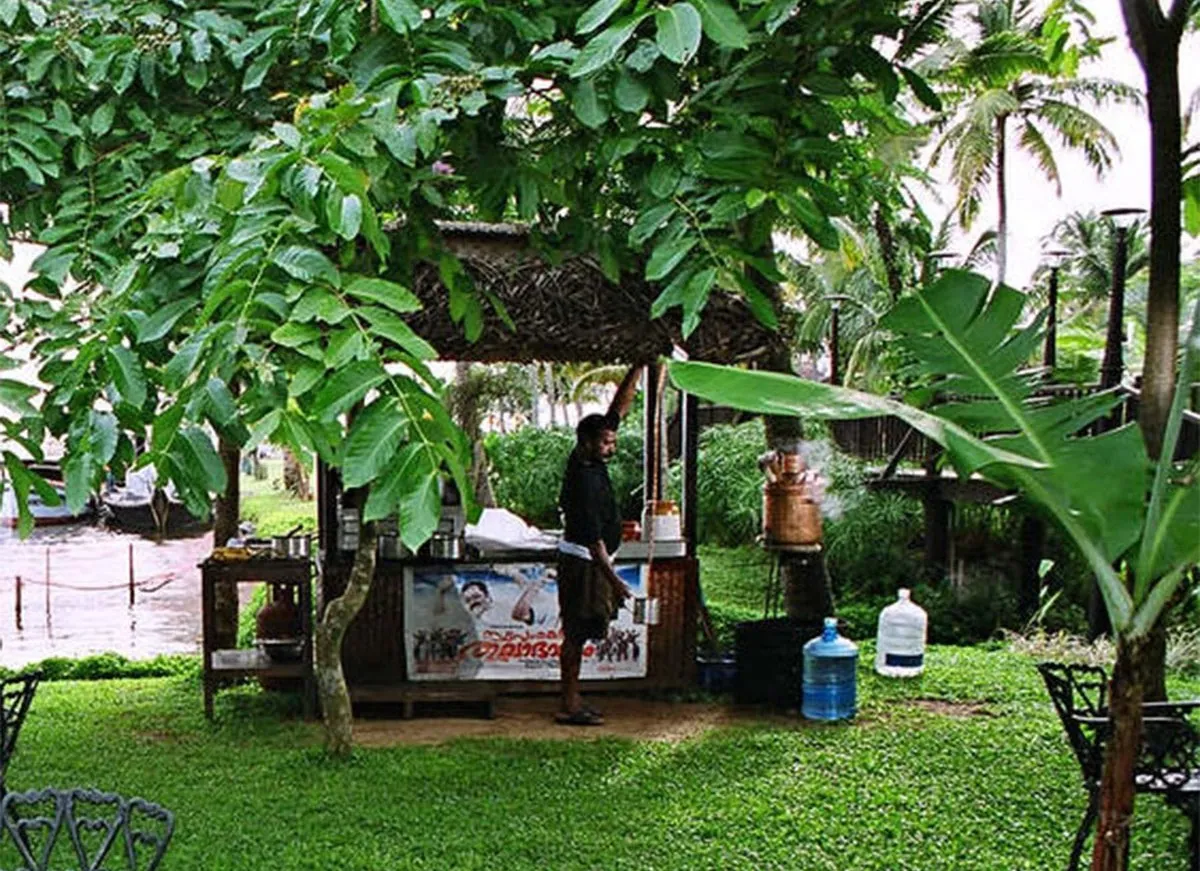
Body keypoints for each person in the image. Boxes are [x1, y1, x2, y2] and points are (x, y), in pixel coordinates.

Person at [554, 364, 643, 725]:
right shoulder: (583, 480)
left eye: (612, 442)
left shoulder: (591, 454)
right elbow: (594, 545)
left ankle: (572, 698)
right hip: (585, 564)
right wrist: (616, 582)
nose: (611, 447)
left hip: (595, 562)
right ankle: (569, 705)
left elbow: (617, 409)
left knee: (585, 630)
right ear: (586, 441)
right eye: (606, 443)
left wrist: (638, 368)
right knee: (576, 631)